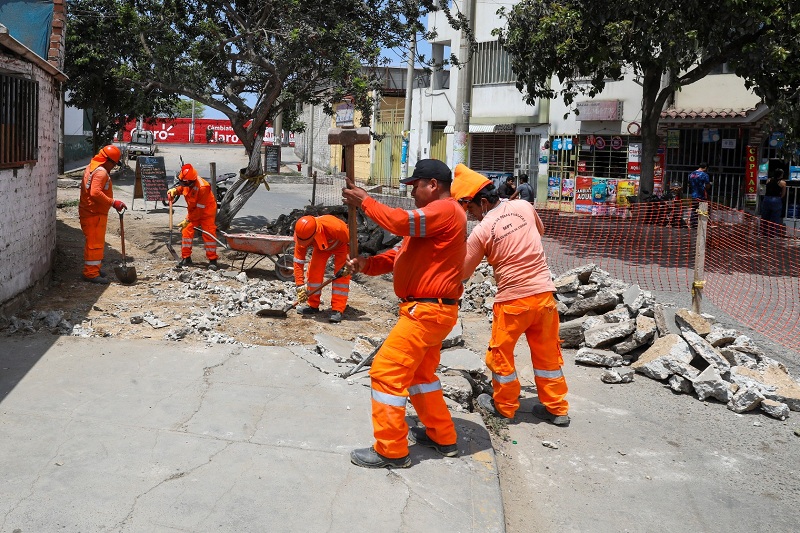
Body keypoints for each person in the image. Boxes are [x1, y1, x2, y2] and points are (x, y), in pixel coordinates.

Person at [341, 158, 466, 469]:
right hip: (431, 310)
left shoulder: (445, 210)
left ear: (433, 185)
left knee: (385, 372)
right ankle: (443, 436)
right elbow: (399, 254)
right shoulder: (431, 220)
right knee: (421, 376)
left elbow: (399, 223)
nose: (412, 192)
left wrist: (366, 202)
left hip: (425, 311)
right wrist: (368, 264)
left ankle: (391, 450)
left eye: (416, 186)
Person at [451, 163, 570, 426]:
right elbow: (538, 233)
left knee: (501, 353)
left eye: (470, 208)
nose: (471, 215)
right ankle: (556, 407)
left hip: (512, 301)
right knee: (548, 354)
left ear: (482, 202)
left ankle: (504, 406)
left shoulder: (482, 231)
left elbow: (462, 273)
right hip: (544, 297)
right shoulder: (524, 208)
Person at [79, 144, 126, 284]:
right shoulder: (101, 172)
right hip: (94, 213)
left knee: (96, 242)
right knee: (94, 244)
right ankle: (91, 273)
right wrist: (113, 202)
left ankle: (95, 268)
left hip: (92, 212)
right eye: (114, 164)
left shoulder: (92, 167)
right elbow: (95, 193)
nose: (114, 167)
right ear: (108, 161)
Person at [292, 214, 351, 323]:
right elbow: (298, 262)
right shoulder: (302, 234)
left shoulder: (336, 228)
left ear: (315, 234)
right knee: (314, 272)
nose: (305, 245)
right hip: (322, 248)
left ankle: (338, 309)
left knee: (341, 277)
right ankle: (313, 305)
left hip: (342, 245)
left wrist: (349, 263)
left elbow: (351, 242)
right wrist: (300, 286)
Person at [167, 164, 219, 270]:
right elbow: (182, 188)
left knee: (209, 235)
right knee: (186, 232)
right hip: (193, 211)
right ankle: (186, 258)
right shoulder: (187, 182)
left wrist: (187, 220)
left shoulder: (203, 187)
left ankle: (213, 260)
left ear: (190, 181)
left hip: (206, 213)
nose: (183, 184)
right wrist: (175, 191)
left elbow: (200, 210)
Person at [761, 169, 787, 237]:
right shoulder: (783, 183)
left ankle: (764, 232)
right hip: (776, 199)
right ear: (781, 174)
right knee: (775, 217)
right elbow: (783, 194)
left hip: (767, 198)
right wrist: (779, 198)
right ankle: (772, 234)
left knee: (765, 216)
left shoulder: (769, 180)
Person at [688, 162, 711, 227]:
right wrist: (709, 185)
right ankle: (701, 224)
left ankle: (693, 223)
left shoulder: (691, 174)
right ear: (706, 167)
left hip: (693, 195)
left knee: (694, 208)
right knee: (703, 209)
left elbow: (689, 184)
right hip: (702, 195)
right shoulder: (704, 175)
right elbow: (707, 186)